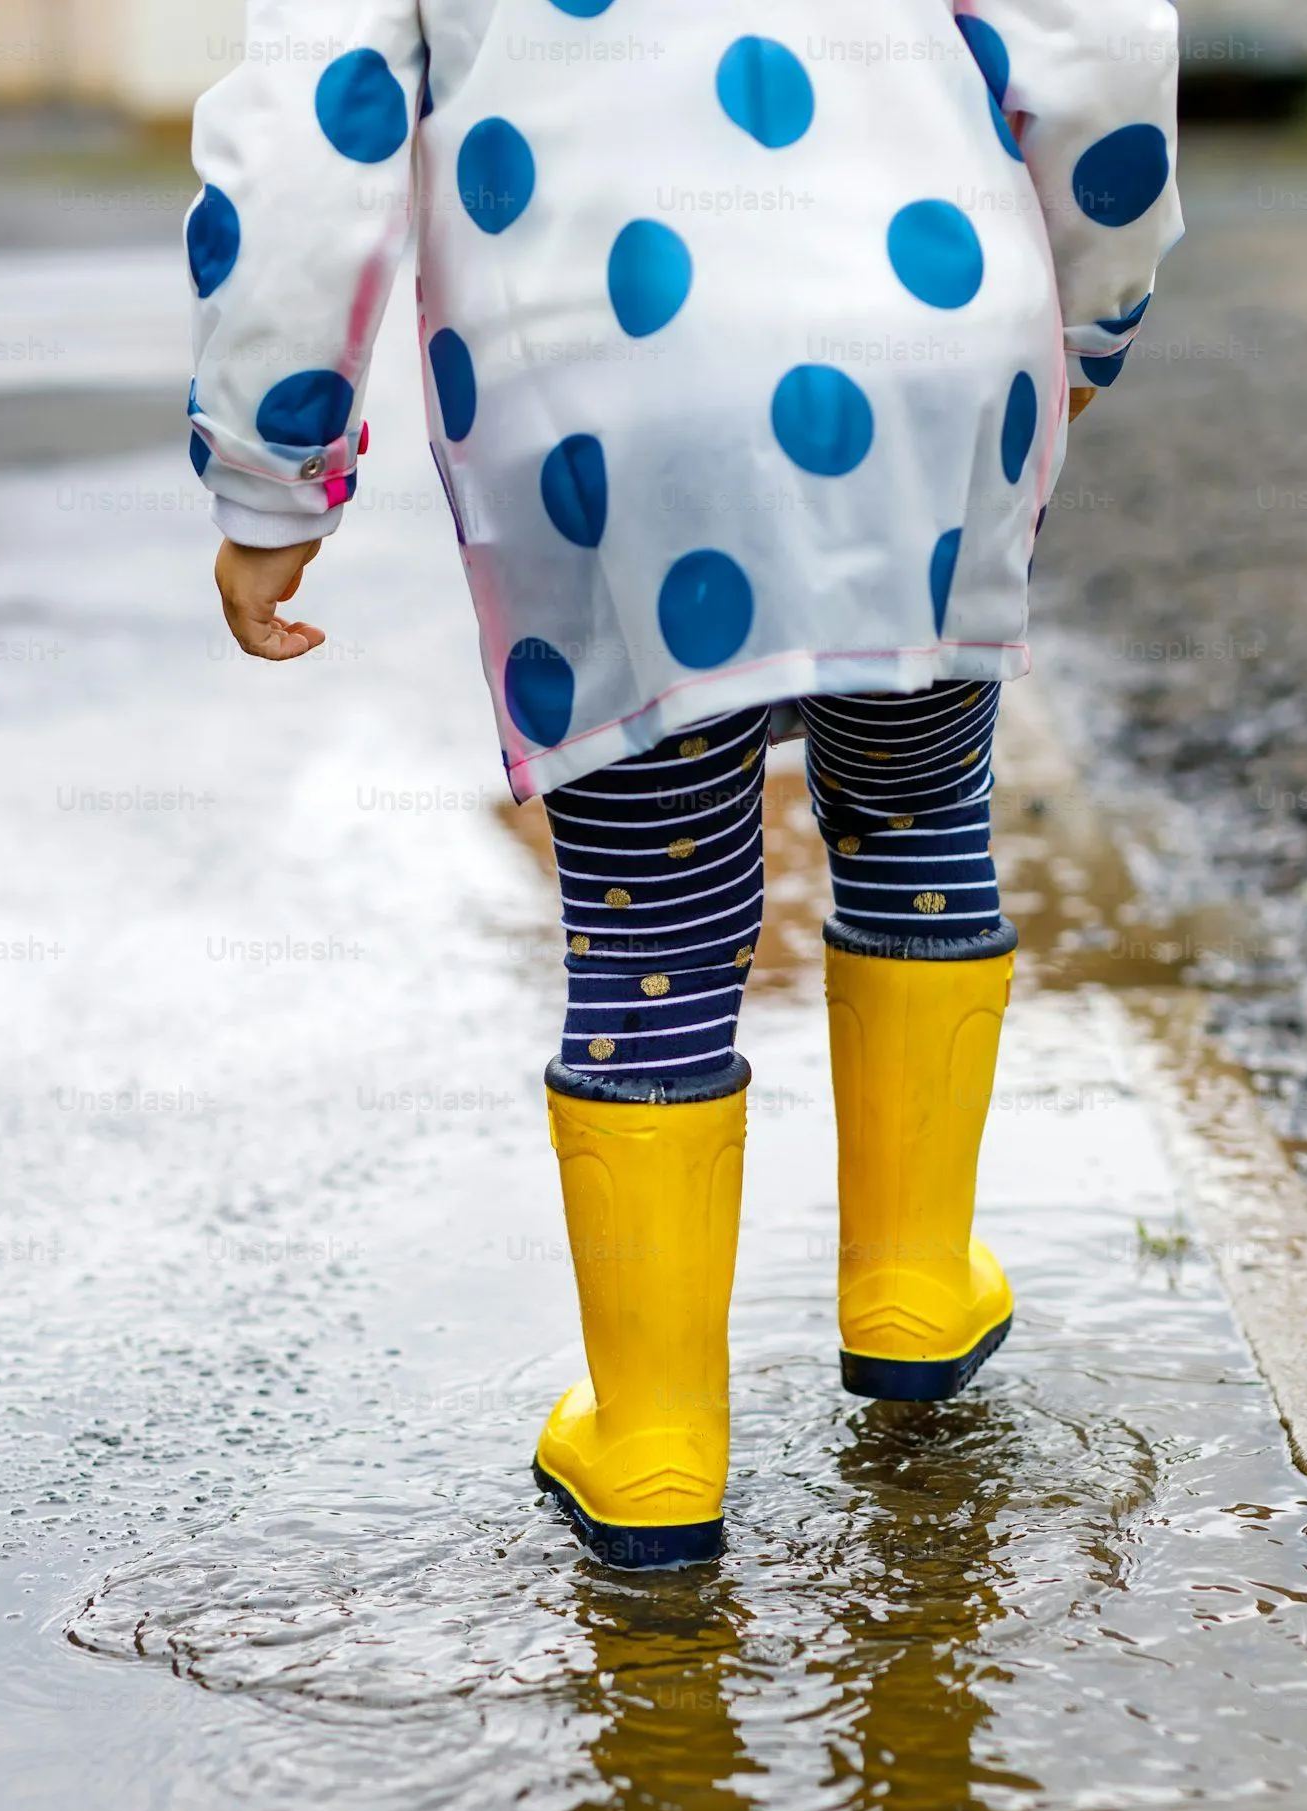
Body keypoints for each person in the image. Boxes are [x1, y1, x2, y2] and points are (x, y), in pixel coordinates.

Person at [189, 1, 1181, 1567]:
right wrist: (1092, 316)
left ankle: (655, 1445)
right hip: (936, 349)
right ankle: (914, 1287)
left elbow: (311, 141)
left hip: (604, 392)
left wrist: (270, 471)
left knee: (653, 925)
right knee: (919, 812)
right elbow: (1100, 42)